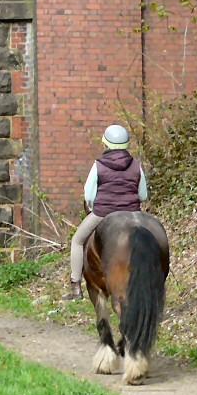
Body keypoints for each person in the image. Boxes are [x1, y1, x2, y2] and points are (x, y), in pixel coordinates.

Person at [63, 123, 148, 300]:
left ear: (106, 143)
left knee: (77, 241)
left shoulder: (98, 165)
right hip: (132, 214)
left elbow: (89, 195)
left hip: (103, 213)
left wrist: (96, 207)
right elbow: (143, 195)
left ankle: (75, 287)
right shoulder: (136, 165)